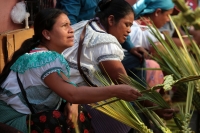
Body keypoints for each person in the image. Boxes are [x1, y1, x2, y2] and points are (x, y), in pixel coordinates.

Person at [0, 8, 142, 133]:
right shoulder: (43, 58)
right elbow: (72, 93)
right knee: (61, 120)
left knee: (76, 112)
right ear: (47, 34)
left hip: (28, 117)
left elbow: (69, 90)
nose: (71, 29)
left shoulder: (51, 57)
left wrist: (72, 102)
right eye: (64, 26)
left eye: (70, 24)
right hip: (12, 121)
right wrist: (116, 90)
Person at [63, 0, 177, 133]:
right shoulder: (105, 42)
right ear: (111, 20)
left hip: (64, 87)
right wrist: (157, 108)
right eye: (127, 24)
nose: (129, 30)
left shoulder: (86, 24)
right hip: (75, 96)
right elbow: (125, 83)